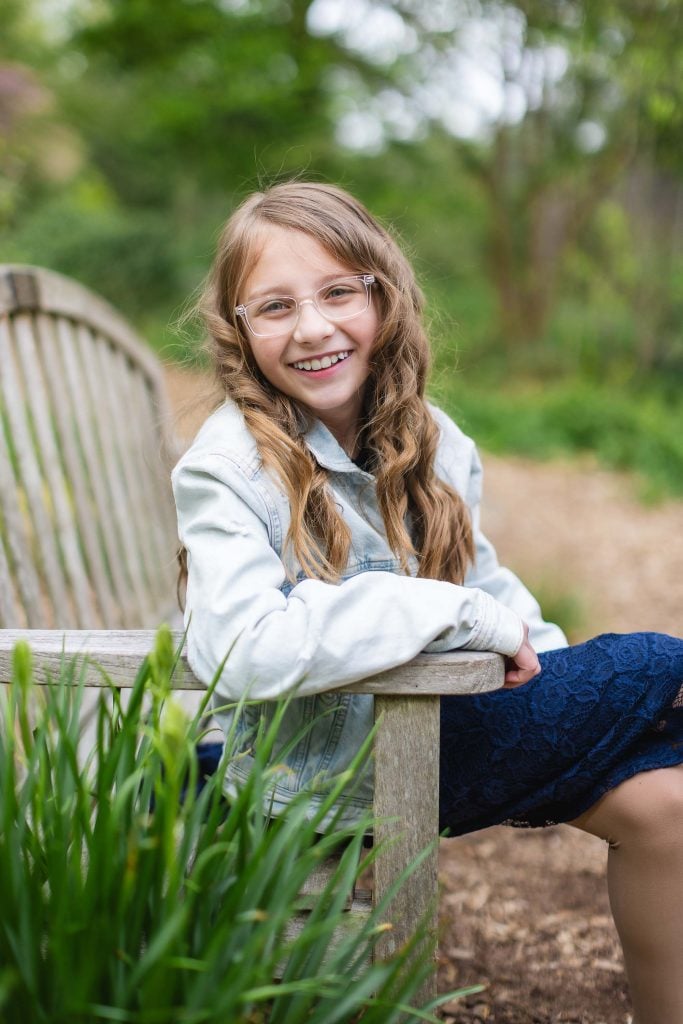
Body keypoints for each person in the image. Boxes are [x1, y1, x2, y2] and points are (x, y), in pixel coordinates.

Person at [172, 180, 683, 1024]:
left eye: (339, 292)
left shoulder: (432, 437)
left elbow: (481, 580)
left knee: (666, 804)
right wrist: (466, 618)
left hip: (425, 734)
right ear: (236, 330)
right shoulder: (227, 468)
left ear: (386, 297)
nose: (312, 328)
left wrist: (537, 653)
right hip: (304, 767)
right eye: (273, 307)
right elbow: (244, 647)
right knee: (657, 666)